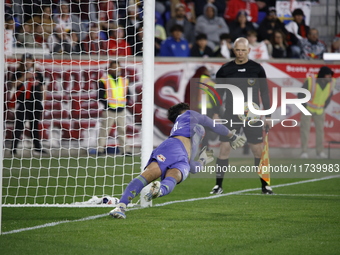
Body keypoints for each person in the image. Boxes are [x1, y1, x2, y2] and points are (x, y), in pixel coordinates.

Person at [109, 103, 246, 219]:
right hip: (176, 149)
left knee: (164, 176)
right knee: (162, 175)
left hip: (180, 156)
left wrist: (203, 160)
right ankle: (130, 202)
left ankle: (147, 195)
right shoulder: (187, 115)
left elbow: (192, 167)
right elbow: (213, 124)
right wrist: (232, 135)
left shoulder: (186, 132)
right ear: (184, 112)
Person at [211, 37, 273, 195]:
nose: (240, 53)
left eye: (243, 50)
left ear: (249, 50)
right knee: (224, 149)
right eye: (238, 50)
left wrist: (268, 115)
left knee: (257, 151)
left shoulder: (257, 69)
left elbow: (265, 92)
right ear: (233, 50)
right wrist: (215, 113)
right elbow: (217, 94)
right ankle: (218, 185)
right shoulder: (225, 69)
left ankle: (265, 185)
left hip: (252, 115)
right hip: (231, 114)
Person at [10, 53, 47, 156]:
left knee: (35, 126)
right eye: (26, 60)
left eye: (30, 60)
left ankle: (37, 148)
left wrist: (43, 101)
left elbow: (43, 88)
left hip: (35, 102)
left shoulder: (38, 73)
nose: (28, 62)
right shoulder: (18, 72)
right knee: (19, 125)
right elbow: (13, 84)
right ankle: (13, 148)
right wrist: (24, 77)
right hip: (23, 102)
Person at [299, 66, 334, 159]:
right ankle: (304, 152)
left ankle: (320, 152)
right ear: (322, 75)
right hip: (307, 109)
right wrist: (304, 107)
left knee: (320, 132)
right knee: (305, 131)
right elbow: (300, 94)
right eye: (328, 75)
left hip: (320, 111)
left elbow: (329, 95)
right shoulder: (311, 81)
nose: (330, 77)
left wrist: (323, 107)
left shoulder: (331, 83)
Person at [97, 60, 131, 156]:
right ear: (110, 68)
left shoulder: (124, 80)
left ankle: (125, 150)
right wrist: (107, 104)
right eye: (114, 67)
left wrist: (125, 103)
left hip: (121, 109)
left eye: (118, 67)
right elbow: (100, 95)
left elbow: (128, 94)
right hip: (109, 110)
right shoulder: (104, 80)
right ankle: (100, 150)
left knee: (122, 131)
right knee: (104, 130)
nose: (116, 69)